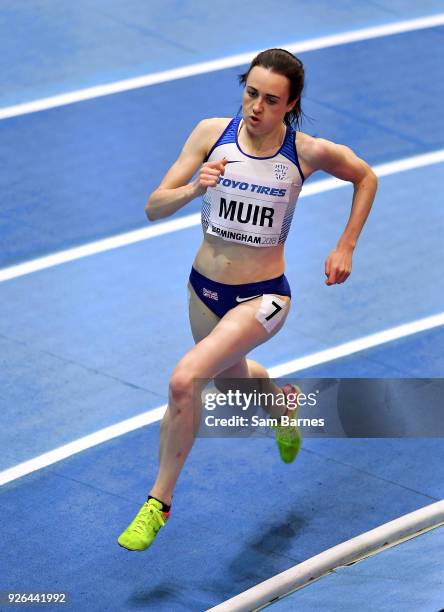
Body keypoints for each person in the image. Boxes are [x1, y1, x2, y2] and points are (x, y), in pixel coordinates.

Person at [117, 48, 377, 551]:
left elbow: (366, 177)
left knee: (184, 381)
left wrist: (346, 244)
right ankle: (282, 405)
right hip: (204, 290)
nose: (256, 106)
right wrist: (195, 187)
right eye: (251, 92)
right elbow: (153, 207)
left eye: (270, 99)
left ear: (291, 104)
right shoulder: (211, 134)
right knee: (233, 383)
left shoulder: (305, 153)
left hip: (263, 299)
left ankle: (158, 503)